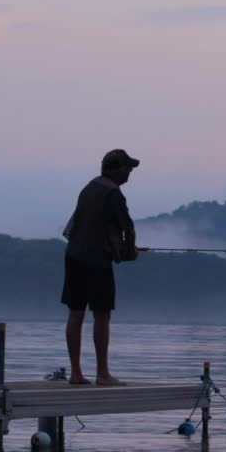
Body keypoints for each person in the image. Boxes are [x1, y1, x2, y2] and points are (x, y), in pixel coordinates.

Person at [61, 149, 141, 385]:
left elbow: (83, 225)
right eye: (128, 168)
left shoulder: (89, 187)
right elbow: (128, 229)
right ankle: (103, 374)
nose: (129, 173)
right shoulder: (113, 193)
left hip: (74, 256)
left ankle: (76, 374)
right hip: (97, 260)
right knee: (102, 314)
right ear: (116, 168)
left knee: (76, 313)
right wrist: (130, 252)